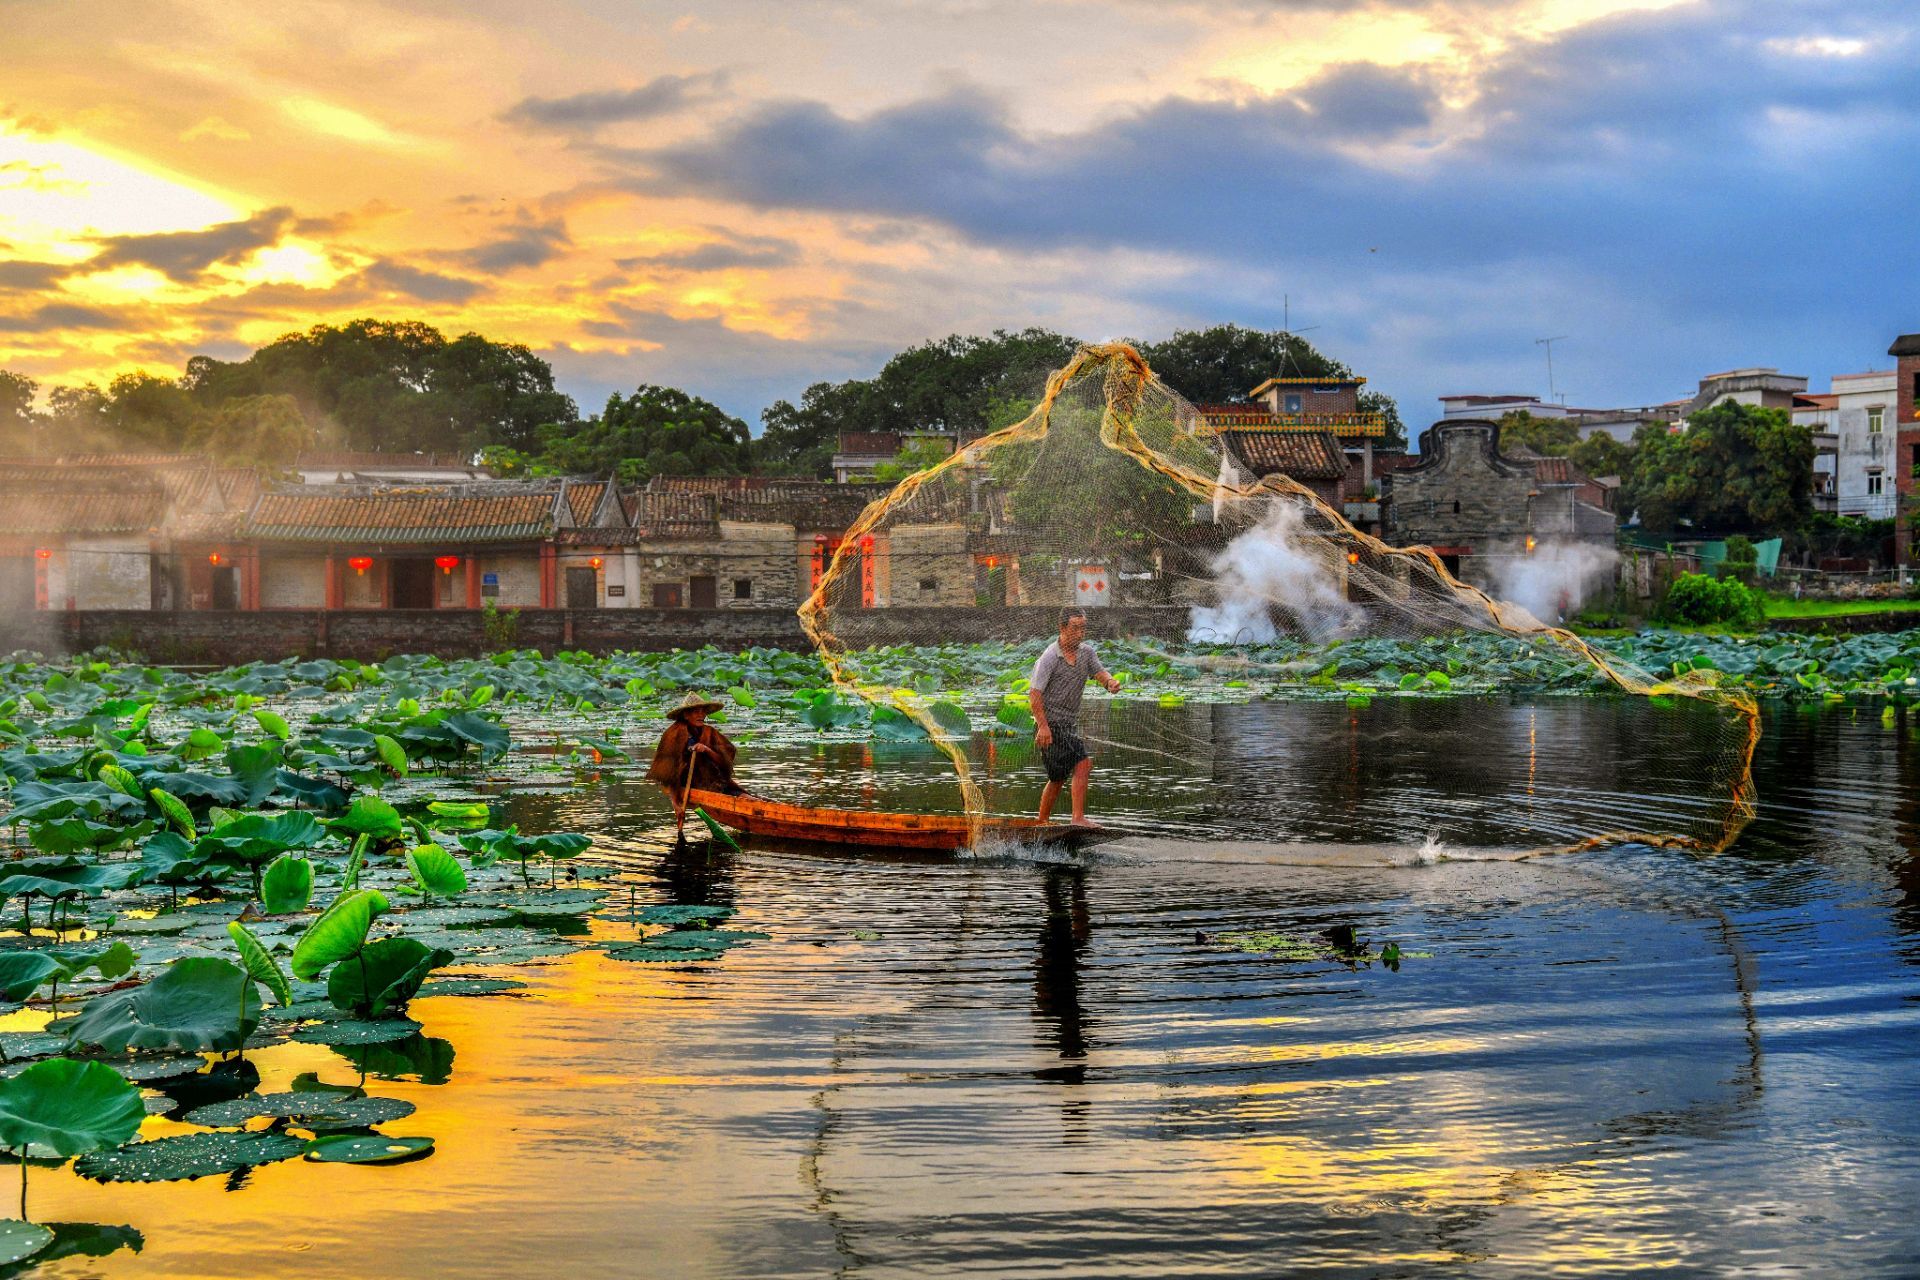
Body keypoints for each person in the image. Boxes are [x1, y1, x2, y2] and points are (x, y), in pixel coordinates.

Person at [1029, 607, 1122, 826]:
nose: (1080, 633)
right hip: (1049, 726)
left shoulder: (1086, 653)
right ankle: (1077, 818)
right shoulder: (1050, 657)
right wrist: (1043, 727)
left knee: (1057, 778)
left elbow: (1100, 673)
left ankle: (1041, 822)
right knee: (1083, 763)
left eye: (1083, 628)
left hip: (1067, 725)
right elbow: (1034, 695)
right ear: (1062, 628)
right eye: (1074, 628)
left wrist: (1110, 682)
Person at [645, 692, 744, 823]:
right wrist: (676, 805)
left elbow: (724, 761)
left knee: (748, 798)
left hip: (713, 780)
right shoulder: (673, 735)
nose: (702, 715)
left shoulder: (709, 732)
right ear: (686, 715)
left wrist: (706, 749)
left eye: (703, 712)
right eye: (697, 712)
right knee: (740, 798)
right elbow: (670, 773)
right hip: (691, 783)